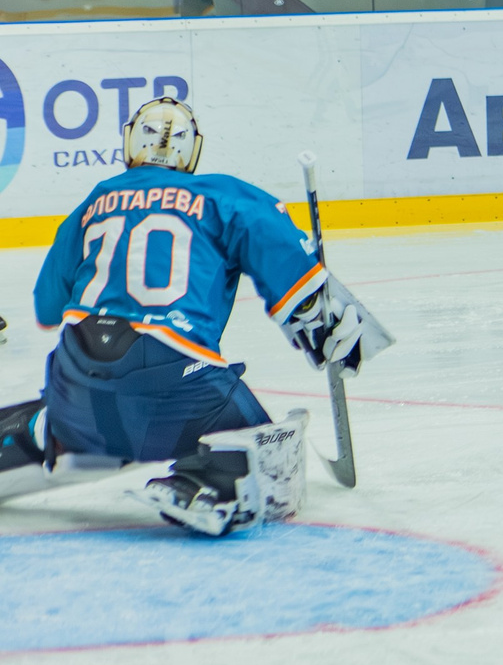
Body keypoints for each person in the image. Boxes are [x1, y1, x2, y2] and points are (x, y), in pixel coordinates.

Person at [0, 99, 384, 536]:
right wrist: (322, 319)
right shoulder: (222, 196)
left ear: (130, 142)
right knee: (266, 447)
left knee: (81, 399)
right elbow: (292, 270)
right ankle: (215, 478)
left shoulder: (96, 201)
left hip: (76, 392)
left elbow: (48, 307)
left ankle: (42, 431)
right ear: (192, 151)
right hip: (178, 392)